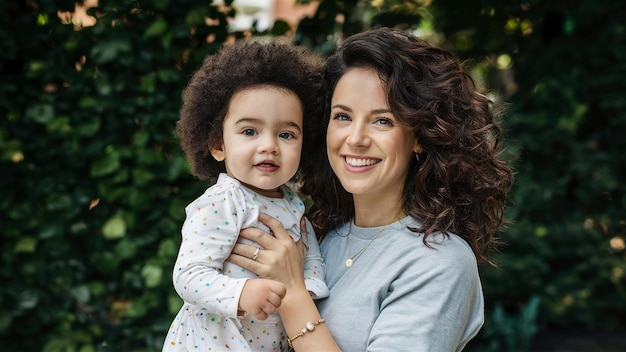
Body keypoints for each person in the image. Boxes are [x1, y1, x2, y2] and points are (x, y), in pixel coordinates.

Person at [229, 27, 514, 351]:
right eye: (343, 117)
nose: (356, 139)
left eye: (382, 121)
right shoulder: (317, 238)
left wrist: (293, 295)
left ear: (419, 135)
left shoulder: (439, 262)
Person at [163, 38, 329, 352]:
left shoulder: (294, 203)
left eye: (286, 134)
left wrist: (308, 289)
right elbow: (189, 275)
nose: (269, 145)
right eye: (250, 131)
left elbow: (311, 259)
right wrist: (243, 293)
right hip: (213, 342)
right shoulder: (222, 202)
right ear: (217, 144)